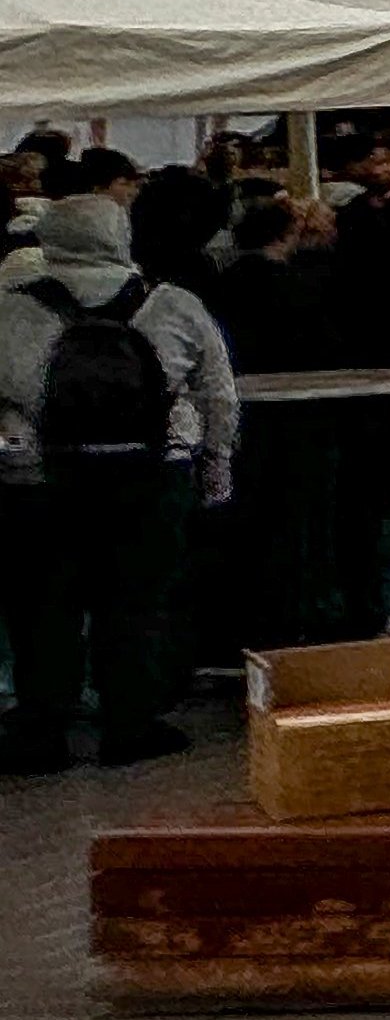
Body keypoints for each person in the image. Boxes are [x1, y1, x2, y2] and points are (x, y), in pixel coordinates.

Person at [0, 188, 238, 770]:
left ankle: (42, 729)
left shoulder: (7, 308)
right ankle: (131, 723)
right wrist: (215, 467)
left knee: (41, 607)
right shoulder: (174, 303)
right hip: (152, 472)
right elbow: (218, 393)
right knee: (138, 601)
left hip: (38, 477)